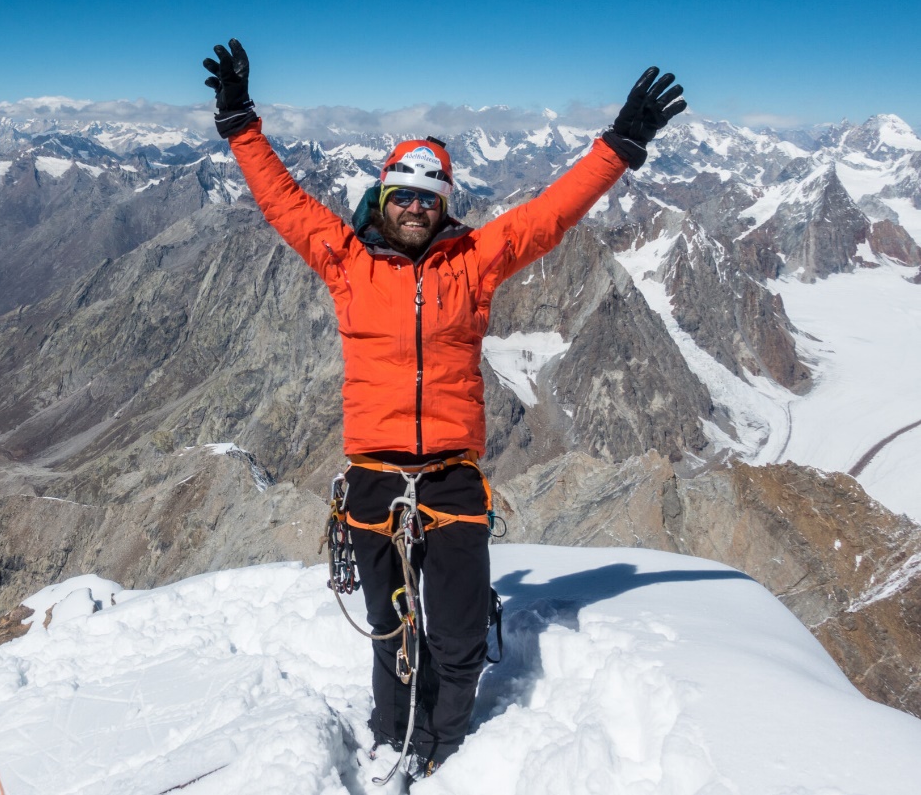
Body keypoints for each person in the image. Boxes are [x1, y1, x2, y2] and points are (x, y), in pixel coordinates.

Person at [200, 38, 685, 780]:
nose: (418, 209)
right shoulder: (347, 261)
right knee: (391, 628)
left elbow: (548, 216)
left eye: (431, 198)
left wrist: (616, 148)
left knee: (457, 636)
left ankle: (445, 744)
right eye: (405, 197)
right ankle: (391, 738)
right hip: (373, 477)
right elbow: (283, 204)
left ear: (444, 204)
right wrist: (241, 123)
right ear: (384, 199)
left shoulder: (475, 262)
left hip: (453, 477)